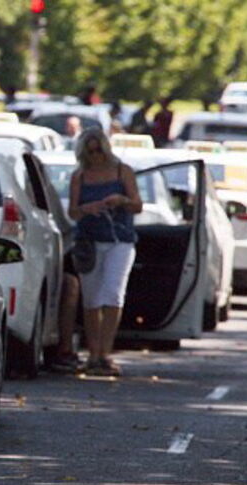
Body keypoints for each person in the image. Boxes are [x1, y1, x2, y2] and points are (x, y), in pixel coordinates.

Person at [67, 128, 143, 376]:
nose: (96, 156)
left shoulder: (123, 171)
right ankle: (93, 354)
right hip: (89, 242)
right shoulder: (79, 177)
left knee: (113, 293)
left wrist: (121, 201)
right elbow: (72, 212)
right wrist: (87, 208)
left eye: (99, 150)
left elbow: (137, 205)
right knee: (91, 298)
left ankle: (105, 353)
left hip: (120, 241)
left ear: (106, 149)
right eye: (90, 152)